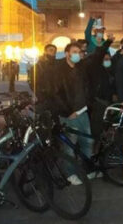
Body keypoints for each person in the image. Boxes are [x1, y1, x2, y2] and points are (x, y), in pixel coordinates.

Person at [53, 43, 96, 184]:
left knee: (88, 141)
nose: (78, 54)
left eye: (79, 51)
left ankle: (87, 169)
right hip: (69, 114)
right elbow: (55, 94)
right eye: (75, 51)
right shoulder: (59, 71)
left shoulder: (81, 68)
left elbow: (87, 87)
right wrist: (67, 111)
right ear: (67, 53)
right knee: (69, 145)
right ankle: (70, 174)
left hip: (83, 111)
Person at [85, 35, 115, 142]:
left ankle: (103, 140)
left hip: (109, 100)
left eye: (109, 58)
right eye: (105, 58)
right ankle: (95, 142)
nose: (107, 60)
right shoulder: (96, 69)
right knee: (97, 124)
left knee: (106, 123)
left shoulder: (112, 70)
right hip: (98, 100)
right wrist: (108, 42)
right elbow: (98, 55)